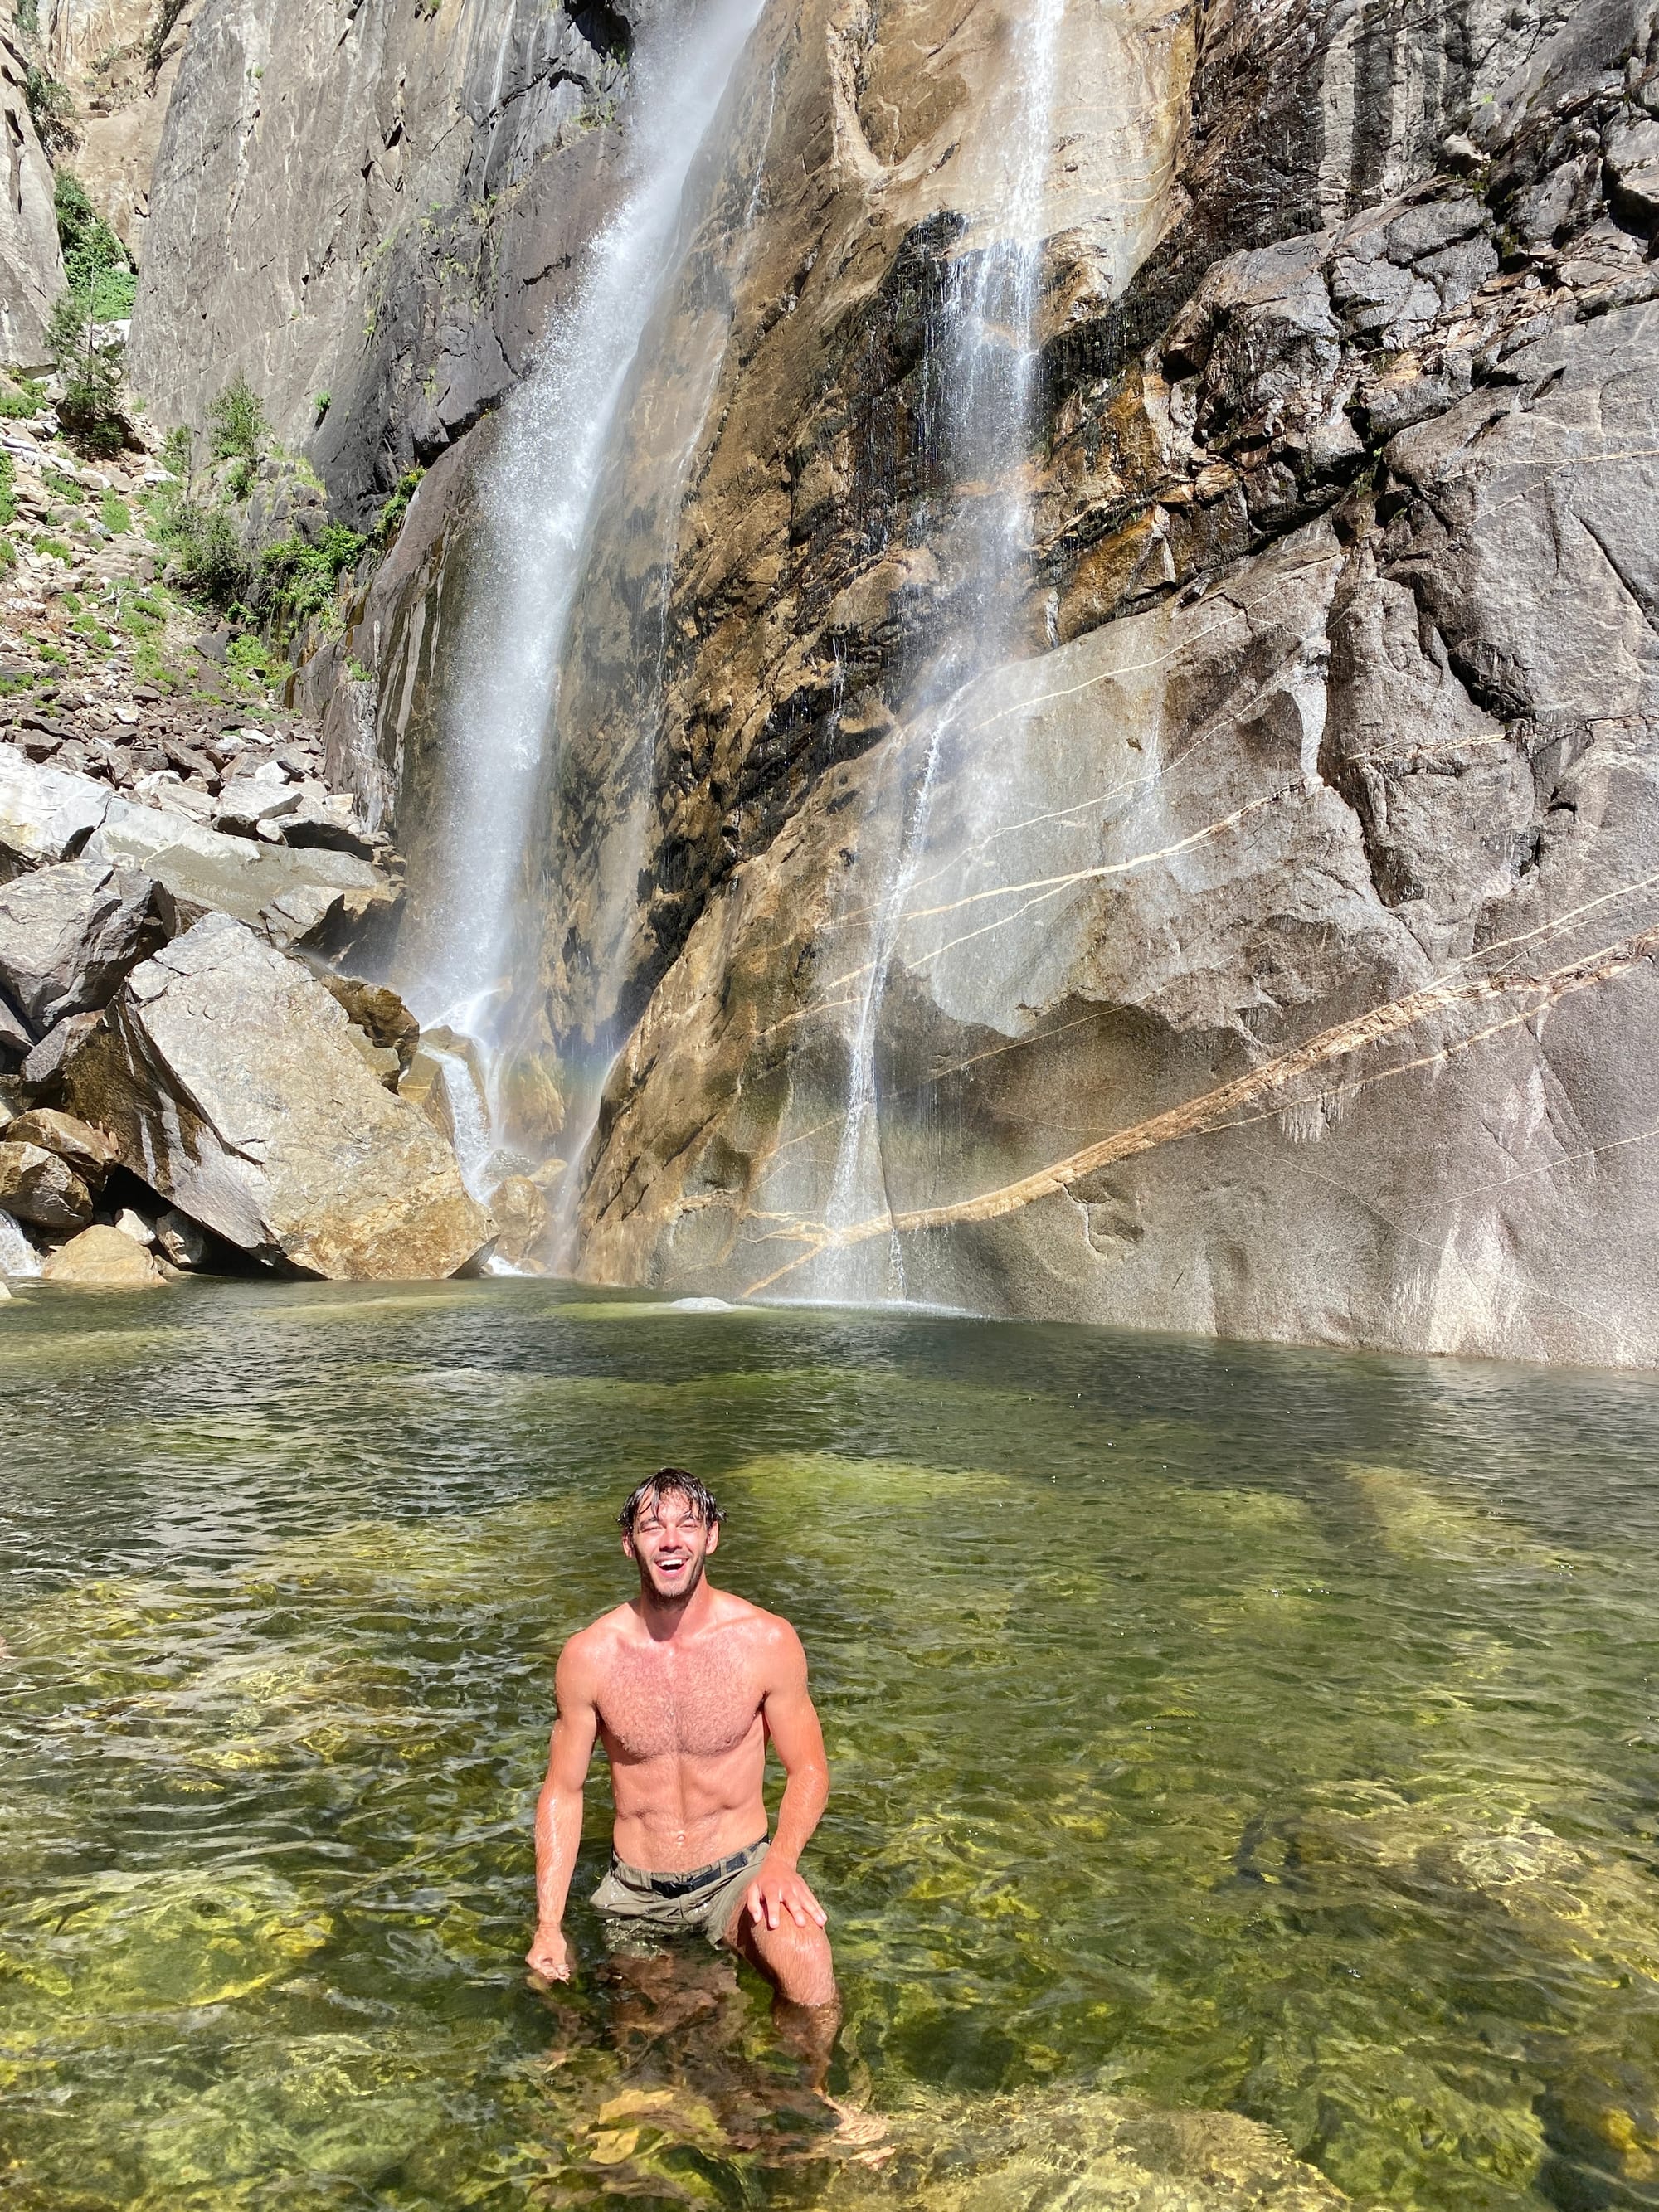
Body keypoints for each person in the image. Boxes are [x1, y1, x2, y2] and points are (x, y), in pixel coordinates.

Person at [526, 1468, 838, 2029]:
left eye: (687, 1524)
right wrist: (549, 1924)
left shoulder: (766, 1641)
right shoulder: (590, 1656)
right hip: (636, 1893)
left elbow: (809, 1768)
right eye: (652, 1527)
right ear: (630, 1543)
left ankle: (823, 2100)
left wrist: (782, 1862)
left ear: (711, 1535)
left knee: (806, 1954)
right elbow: (563, 1792)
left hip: (738, 1876)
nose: (671, 1539)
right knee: (653, 2047)